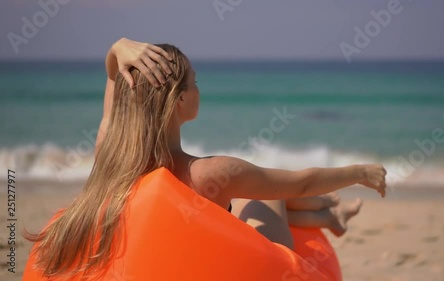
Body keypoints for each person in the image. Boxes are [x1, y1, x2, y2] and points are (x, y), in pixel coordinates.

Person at [25, 38, 386, 278]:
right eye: (194, 82)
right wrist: (360, 172)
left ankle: (331, 213)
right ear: (179, 101)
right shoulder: (212, 173)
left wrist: (119, 46)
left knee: (257, 192)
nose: (199, 89)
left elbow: (115, 78)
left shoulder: (108, 150)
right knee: (261, 194)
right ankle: (330, 211)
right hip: (262, 270)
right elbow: (302, 180)